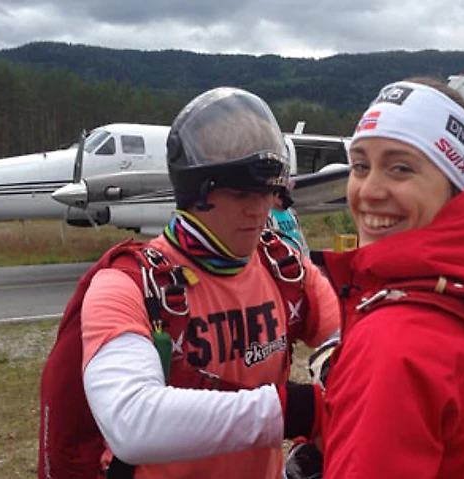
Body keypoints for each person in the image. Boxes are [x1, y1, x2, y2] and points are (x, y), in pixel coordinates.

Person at [78, 88, 339, 478]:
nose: (259, 209)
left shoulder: (285, 269)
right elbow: (131, 422)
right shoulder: (128, 284)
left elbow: (353, 342)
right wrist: (299, 411)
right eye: (239, 193)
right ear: (194, 192)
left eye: (267, 191)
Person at [314, 78, 464, 478]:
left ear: (457, 190)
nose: (369, 191)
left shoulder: (395, 341)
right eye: (360, 165)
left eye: (400, 168)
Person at [266, 180, 311, 256]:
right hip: (283, 259)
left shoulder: (292, 213)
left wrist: (306, 257)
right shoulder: (267, 217)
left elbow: (301, 237)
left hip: (299, 257)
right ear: (276, 196)